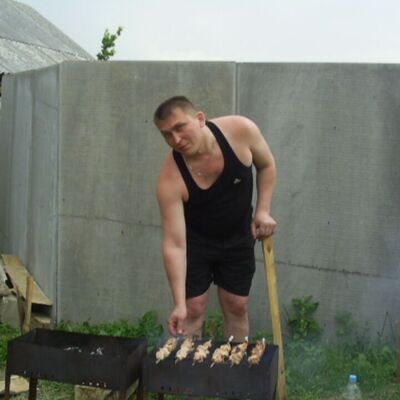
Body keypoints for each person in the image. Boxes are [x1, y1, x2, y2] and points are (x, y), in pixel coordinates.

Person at [154, 96, 276, 341]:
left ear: (200, 118)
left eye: (180, 127)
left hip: (238, 235)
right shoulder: (170, 178)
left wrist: (263, 211)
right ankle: (189, 366)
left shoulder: (241, 131)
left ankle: (235, 363)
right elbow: (174, 245)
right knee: (193, 308)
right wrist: (179, 304)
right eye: (167, 134)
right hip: (196, 242)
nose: (176, 140)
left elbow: (267, 165)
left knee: (236, 305)